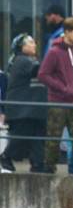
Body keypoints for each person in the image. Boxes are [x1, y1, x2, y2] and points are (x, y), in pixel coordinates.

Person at [37, 18, 73, 174]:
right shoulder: (54, 52)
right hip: (58, 101)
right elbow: (43, 74)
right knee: (54, 136)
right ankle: (49, 166)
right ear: (67, 32)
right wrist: (63, 88)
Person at [1, 35, 47, 173]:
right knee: (21, 137)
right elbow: (39, 69)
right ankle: (6, 157)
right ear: (22, 47)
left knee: (37, 138)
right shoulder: (22, 60)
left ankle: (38, 164)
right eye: (31, 42)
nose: (34, 45)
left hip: (34, 109)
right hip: (23, 109)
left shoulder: (28, 60)